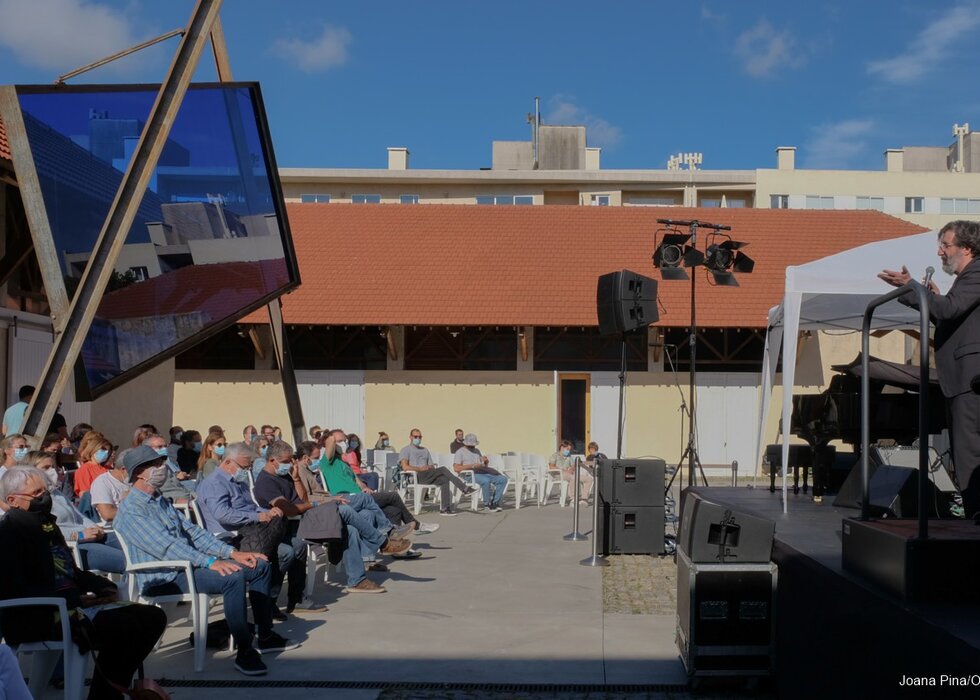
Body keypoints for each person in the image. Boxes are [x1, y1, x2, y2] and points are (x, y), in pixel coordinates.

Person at [114, 445, 298, 676]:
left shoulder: (158, 499)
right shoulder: (132, 509)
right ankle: (245, 650)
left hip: (187, 566)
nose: (163, 468)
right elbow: (167, 547)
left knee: (259, 565)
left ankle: (265, 635)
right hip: (165, 576)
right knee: (232, 577)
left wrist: (232, 553)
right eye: (156, 464)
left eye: (162, 462)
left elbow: (193, 532)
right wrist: (210, 562)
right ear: (140, 472)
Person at [0, 466, 167, 699]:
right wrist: (76, 601)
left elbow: (71, 572)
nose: (45, 497)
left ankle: (107, 692)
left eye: (46, 491)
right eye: (37, 493)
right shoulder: (8, 533)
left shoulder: (46, 525)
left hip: (69, 606)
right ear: (12, 500)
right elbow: (14, 587)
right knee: (124, 625)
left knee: (152, 617)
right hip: (38, 616)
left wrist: (102, 586)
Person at [879, 219, 980, 522]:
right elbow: (949, 316)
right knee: (965, 450)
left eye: (945, 245)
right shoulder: (967, 278)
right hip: (962, 379)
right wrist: (927, 295)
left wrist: (911, 288)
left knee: (969, 451)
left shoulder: (976, 272)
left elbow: (948, 309)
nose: (940, 252)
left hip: (969, 379)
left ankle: (975, 515)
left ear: (966, 248)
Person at [196, 442, 317, 615]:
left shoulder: (238, 481)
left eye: (249, 467)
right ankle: (266, 602)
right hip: (231, 537)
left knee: (298, 545)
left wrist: (267, 512)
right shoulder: (214, 484)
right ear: (228, 462)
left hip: (253, 532)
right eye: (244, 466)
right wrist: (257, 517)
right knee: (285, 553)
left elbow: (251, 507)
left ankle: (294, 599)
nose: (247, 470)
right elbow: (223, 515)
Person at [319, 430, 438, 536]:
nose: (345, 443)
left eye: (345, 441)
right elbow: (330, 440)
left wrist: (364, 487)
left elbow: (358, 481)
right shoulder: (326, 462)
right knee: (393, 496)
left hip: (360, 495)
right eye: (340, 441)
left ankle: (395, 544)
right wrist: (328, 434)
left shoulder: (344, 463)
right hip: (347, 498)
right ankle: (416, 526)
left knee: (394, 511)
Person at [30, 450, 125, 574]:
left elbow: (79, 515)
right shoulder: (35, 500)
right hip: (75, 546)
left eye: (53, 467)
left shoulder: (56, 493)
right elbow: (48, 530)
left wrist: (94, 527)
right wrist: (79, 535)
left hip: (92, 536)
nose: (52, 471)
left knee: (134, 547)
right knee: (126, 561)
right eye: (46, 468)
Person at [399, 428, 479, 516]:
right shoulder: (406, 450)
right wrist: (420, 469)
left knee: (444, 479)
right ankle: (465, 488)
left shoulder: (425, 450)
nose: (418, 439)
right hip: (416, 476)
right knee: (443, 469)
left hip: (427, 475)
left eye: (420, 437)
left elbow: (432, 466)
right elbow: (405, 467)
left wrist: (428, 467)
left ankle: (445, 509)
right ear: (410, 437)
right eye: (415, 437)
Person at [453, 433, 507, 512]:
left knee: (502, 479)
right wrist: (472, 466)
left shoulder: (477, 451)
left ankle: (495, 502)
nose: (472, 447)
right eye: (470, 445)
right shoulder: (460, 452)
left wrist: (485, 462)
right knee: (485, 480)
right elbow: (456, 468)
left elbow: (482, 465)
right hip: (469, 475)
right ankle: (487, 504)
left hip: (481, 472)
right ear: (466, 444)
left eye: (473, 445)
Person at [89, 449, 132, 524]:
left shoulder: (135, 481)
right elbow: (108, 514)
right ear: (123, 469)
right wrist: (138, 511)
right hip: (117, 525)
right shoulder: (102, 482)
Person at [550, 438, 593, 504]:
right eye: (567, 449)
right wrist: (563, 470)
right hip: (558, 474)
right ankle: (572, 498)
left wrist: (572, 469)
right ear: (562, 447)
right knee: (573, 477)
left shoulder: (569, 456)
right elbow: (551, 467)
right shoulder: (555, 455)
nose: (568, 451)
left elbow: (573, 465)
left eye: (569, 450)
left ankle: (584, 499)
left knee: (589, 479)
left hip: (570, 474)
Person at [73, 431, 113, 497]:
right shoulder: (84, 470)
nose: (106, 453)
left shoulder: (109, 468)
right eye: (103, 449)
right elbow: (85, 494)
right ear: (93, 448)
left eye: (108, 451)